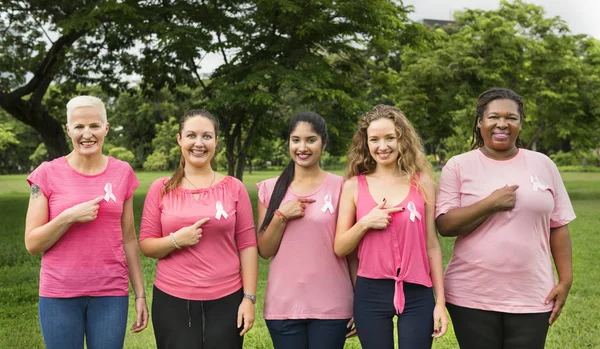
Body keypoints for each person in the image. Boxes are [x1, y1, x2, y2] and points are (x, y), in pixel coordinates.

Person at [436, 87, 575, 349]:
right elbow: (444, 225)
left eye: (511, 117)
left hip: (533, 293)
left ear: (520, 122)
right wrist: (489, 204)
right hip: (471, 294)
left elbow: (558, 227)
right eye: (493, 117)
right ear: (479, 123)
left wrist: (566, 281)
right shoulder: (458, 165)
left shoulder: (543, 164)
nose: (502, 124)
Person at [24, 95, 148, 349]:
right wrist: (69, 216)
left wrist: (140, 294)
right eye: (79, 126)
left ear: (106, 128)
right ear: (68, 129)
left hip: (110, 293)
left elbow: (129, 239)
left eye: (94, 125)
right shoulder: (46, 174)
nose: (87, 133)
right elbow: (32, 243)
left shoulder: (122, 172)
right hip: (59, 293)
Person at [139, 109, 258, 349]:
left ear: (216, 142)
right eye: (191, 135)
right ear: (179, 139)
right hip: (172, 300)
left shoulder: (234, 188)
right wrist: (176, 239)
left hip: (227, 300)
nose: (199, 143)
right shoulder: (160, 188)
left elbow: (247, 246)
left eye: (207, 136)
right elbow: (147, 245)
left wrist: (249, 298)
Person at [334, 104, 448, 349]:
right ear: (366, 143)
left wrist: (440, 302)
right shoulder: (354, 186)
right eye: (374, 139)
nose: (382, 146)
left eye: (389, 138)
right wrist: (365, 222)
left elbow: (433, 245)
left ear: (402, 139)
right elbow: (341, 247)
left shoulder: (423, 183)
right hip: (370, 293)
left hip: (418, 292)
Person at [256, 112, 356, 349]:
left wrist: (359, 302)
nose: (302, 147)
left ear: (324, 143)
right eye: (296, 140)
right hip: (283, 307)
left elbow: (352, 254)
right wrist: (281, 216)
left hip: (332, 306)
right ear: (288, 143)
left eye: (311, 140)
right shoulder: (269, 190)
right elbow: (264, 250)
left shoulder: (343, 187)